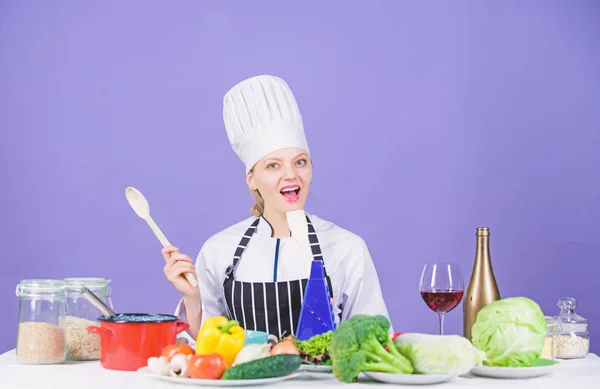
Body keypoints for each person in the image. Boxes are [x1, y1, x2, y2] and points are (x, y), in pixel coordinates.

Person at [164, 75, 391, 345]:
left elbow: (378, 343)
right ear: (251, 178)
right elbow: (205, 348)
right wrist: (192, 299)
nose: (291, 175)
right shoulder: (219, 250)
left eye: (300, 162)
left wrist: (344, 334)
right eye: (273, 165)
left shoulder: (347, 247)